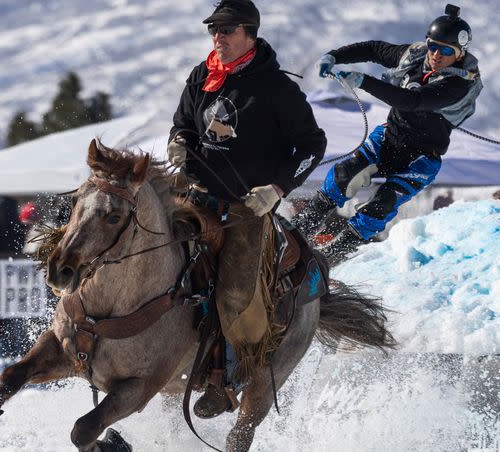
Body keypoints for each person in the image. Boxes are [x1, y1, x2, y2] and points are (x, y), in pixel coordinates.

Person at [168, 0, 326, 418]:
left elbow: (313, 146)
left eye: (226, 30)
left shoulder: (278, 88)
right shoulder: (202, 75)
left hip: (247, 209)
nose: (217, 37)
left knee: (237, 287)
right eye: (213, 30)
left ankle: (230, 377)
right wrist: (178, 141)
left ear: (249, 34)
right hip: (196, 196)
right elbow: (182, 123)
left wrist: (277, 188)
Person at [292, 4, 483, 264]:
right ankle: (296, 230)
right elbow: (374, 49)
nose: (436, 55)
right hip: (388, 139)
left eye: (446, 50)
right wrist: (334, 56)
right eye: (433, 46)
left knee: (380, 206)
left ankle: (330, 257)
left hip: (421, 157)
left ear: (460, 54)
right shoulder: (415, 56)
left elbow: (411, 101)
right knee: (343, 178)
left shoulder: (459, 83)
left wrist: (364, 82)